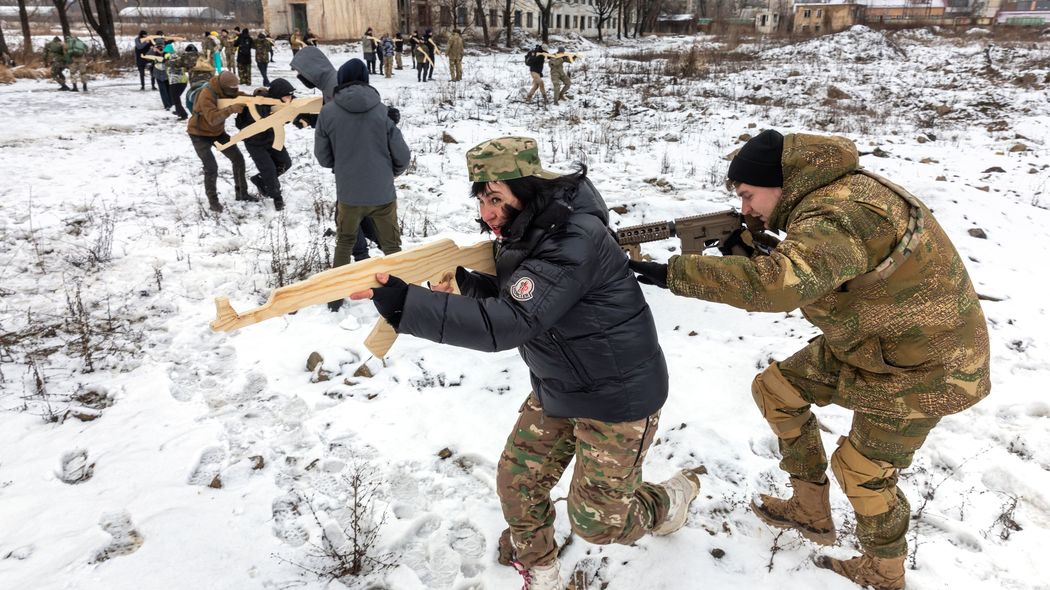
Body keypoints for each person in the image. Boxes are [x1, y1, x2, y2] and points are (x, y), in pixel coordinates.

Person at [628, 130, 992, 590]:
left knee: (862, 472)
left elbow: (780, 285)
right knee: (777, 391)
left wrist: (673, 273)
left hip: (931, 367)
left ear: (777, 182)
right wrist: (745, 252)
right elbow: (824, 269)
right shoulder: (833, 193)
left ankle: (884, 574)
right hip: (874, 342)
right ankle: (810, 510)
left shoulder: (839, 210)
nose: (745, 209)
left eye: (747, 195)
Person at [349, 137, 703, 590]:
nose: (486, 212)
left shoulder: (576, 237)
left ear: (529, 189)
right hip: (559, 384)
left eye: (495, 198)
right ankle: (541, 571)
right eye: (480, 198)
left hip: (617, 398)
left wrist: (407, 305)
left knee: (598, 524)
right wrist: (465, 283)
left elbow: (513, 321)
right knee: (517, 484)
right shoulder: (527, 231)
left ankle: (671, 500)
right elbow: (526, 297)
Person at [314, 58, 410, 311]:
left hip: (349, 194)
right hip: (383, 194)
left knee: (344, 243)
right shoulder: (383, 112)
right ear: (367, 80)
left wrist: (343, 165)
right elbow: (403, 155)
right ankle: (402, 294)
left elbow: (323, 158)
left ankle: (335, 299)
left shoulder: (327, 112)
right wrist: (390, 174)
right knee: (392, 245)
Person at [186, 71, 254, 213]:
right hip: (199, 134)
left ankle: (242, 193)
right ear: (224, 88)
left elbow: (238, 95)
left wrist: (257, 96)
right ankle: (213, 202)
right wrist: (231, 109)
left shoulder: (226, 91)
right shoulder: (207, 94)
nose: (234, 91)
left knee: (238, 159)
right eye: (232, 88)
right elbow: (212, 119)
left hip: (217, 133)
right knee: (211, 168)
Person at [235, 78, 298, 211]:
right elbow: (262, 121)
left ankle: (260, 180)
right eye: (287, 96)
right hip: (255, 142)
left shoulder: (281, 102)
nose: (290, 98)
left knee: (285, 163)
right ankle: (277, 197)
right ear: (277, 95)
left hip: (272, 139)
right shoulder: (259, 104)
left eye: (291, 96)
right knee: (269, 169)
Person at [165, 43, 197, 120]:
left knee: (175, 98)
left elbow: (173, 64)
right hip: (182, 80)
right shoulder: (199, 56)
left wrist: (165, 62)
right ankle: (179, 111)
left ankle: (183, 114)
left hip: (176, 80)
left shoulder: (170, 56)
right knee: (176, 97)